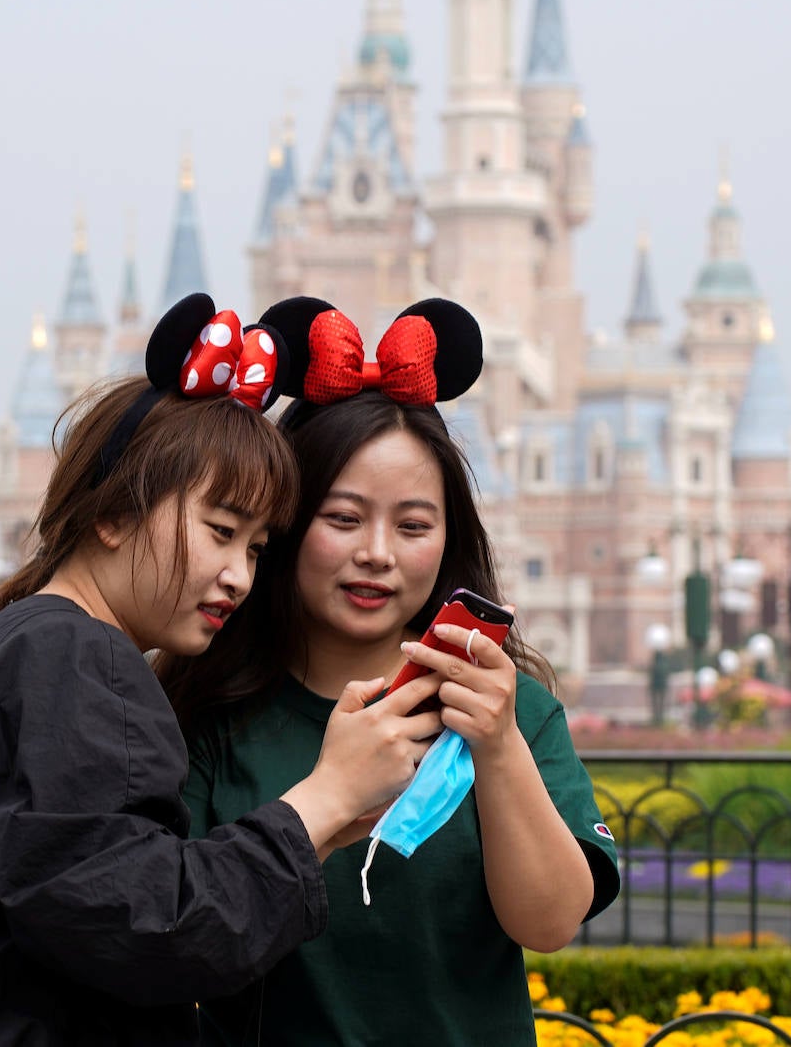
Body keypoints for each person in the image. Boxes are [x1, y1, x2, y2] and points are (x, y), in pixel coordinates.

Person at [0, 294, 441, 1045]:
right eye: (220, 531)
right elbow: (148, 929)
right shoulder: (82, 657)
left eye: (255, 547)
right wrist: (325, 794)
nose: (239, 576)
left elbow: (75, 889)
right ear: (111, 513)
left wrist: (326, 825)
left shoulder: (13, 643)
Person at [160, 297, 620, 1047]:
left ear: (448, 538)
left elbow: (549, 923)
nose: (376, 552)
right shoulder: (208, 708)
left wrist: (496, 745)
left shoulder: (513, 710)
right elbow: (174, 936)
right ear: (281, 525)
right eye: (342, 519)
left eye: (412, 526)